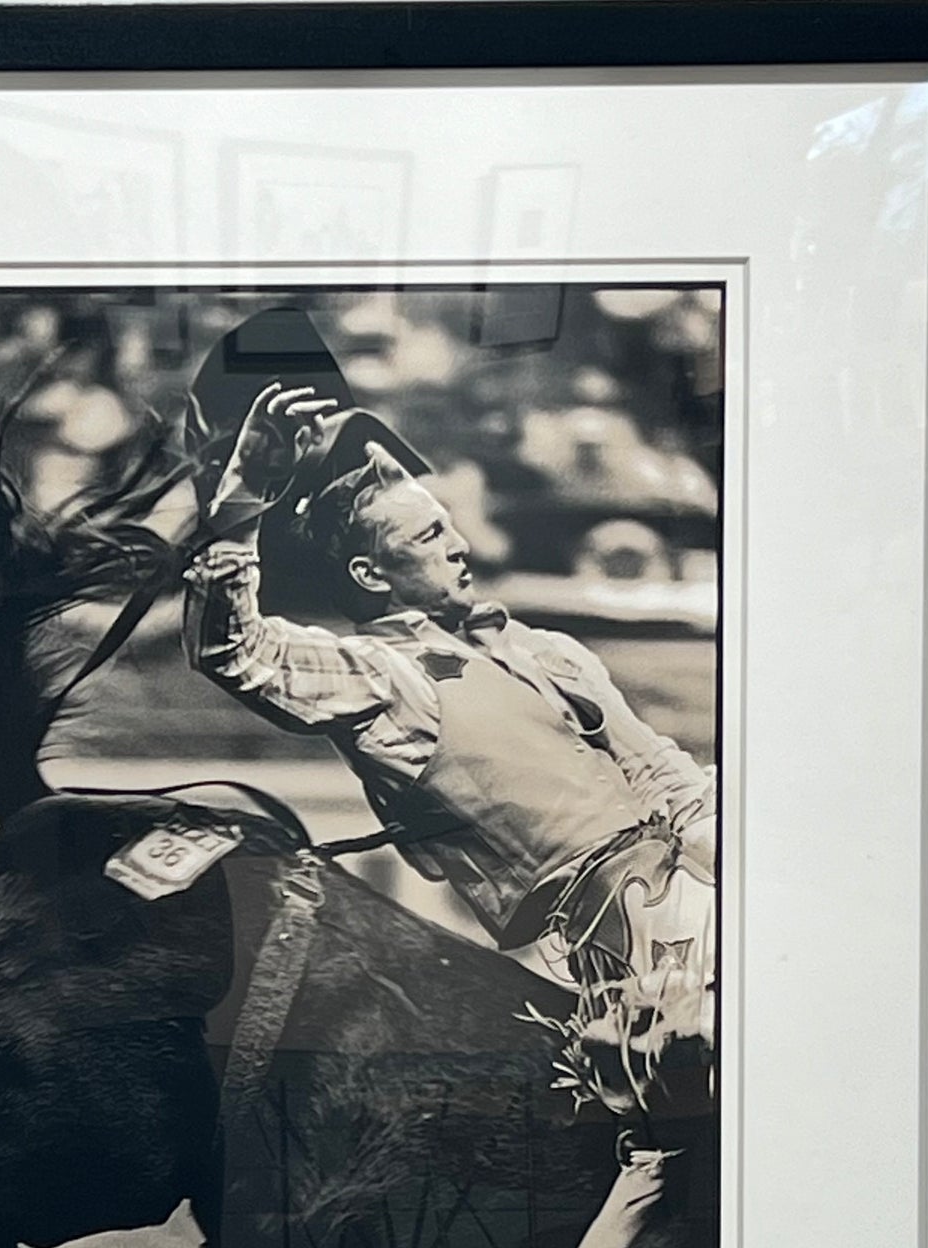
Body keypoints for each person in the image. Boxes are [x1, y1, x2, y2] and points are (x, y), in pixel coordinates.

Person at [183, 375, 718, 1116]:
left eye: (448, 525)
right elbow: (235, 650)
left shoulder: (544, 650)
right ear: (372, 574)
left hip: (703, 899)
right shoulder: (384, 678)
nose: (459, 545)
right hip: (617, 963)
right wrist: (242, 495)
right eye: (428, 537)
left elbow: (662, 773)